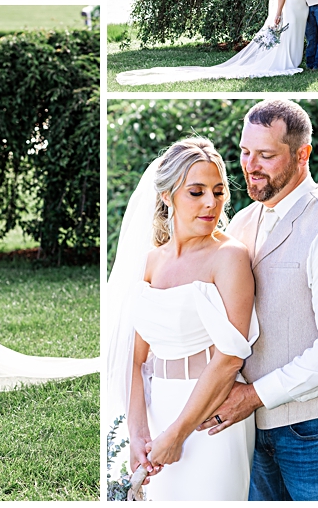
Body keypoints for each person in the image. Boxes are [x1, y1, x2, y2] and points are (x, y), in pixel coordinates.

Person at [202, 100, 318, 500]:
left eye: (266, 155)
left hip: (317, 429)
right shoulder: (244, 221)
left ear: (302, 155)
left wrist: (253, 396)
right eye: (245, 152)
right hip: (250, 429)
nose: (250, 165)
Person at [120, 138, 257, 500]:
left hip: (210, 418)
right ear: (167, 196)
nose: (211, 203)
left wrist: (178, 434)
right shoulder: (149, 262)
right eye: (196, 192)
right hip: (157, 407)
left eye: (218, 191)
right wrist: (138, 434)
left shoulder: (229, 257)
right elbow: (134, 359)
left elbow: (230, 359)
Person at [114, 0, 308, 85]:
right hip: (288, 9)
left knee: (294, 35)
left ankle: (292, 59)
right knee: (286, 37)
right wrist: (278, 12)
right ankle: (285, 61)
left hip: (299, 10)